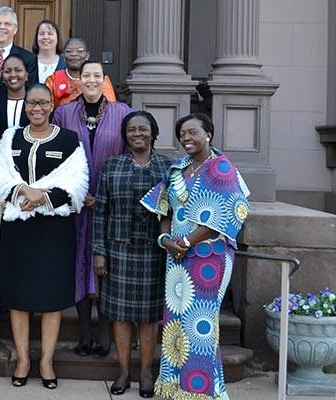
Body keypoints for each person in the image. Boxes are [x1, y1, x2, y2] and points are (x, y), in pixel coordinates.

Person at [141, 113, 251, 400]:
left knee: (201, 325)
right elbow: (163, 207)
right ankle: (175, 387)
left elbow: (227, 215)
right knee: (176, 322)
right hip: (177, 257)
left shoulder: (222, 168)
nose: (186, 138)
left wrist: (187, 241)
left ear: (209, 134)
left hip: (209, 257)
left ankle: (201, 391)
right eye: (182, 134)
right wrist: (166, 240)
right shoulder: (178, 169)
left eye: (192, 132)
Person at [0, 84, 89, 390]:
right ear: (25, 106)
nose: (37, 108)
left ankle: (46, 360)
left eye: (43, 103)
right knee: (19, 298)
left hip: (53, 231)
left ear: (52, 106)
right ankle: (22, 359)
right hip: (18, 228)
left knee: (50, 299)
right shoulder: (11, 137)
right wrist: (23, 191)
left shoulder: (69, 139)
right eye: (31, 103)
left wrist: (42, 198)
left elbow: (78, 182)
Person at [52, 59, 132, 359]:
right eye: (86, 75)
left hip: (109, 207)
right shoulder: (63, 113)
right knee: (79, 267)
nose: (91, 80)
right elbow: (56, 156)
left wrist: (105, 197)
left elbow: (127, 158)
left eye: (97, 75)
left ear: (105, 79)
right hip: (74, 207)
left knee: (105, 270)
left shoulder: (122, 113)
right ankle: (84, 335)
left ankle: (104, 336)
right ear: (78, 80)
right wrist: (75, 193)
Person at [92, 111, 172, 397]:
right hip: (119, 251)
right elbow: (100, 211)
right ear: (124, 135)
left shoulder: (168, 167)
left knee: (149, 316)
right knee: (120, 315)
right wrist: (99, 252)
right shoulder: (112, 165)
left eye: (143, 129)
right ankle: (124, 370)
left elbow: (174, 212)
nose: (137, 134)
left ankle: (147, 371)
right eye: (131, 130)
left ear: (153, 132)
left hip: (154, 251)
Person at [44, 38, 117, 107]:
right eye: (69, 51)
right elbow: (46, 107)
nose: (74, 54)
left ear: (87, 55)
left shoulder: (100, 78)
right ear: (63, 56)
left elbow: (110, 107)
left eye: (80, 51)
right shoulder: (53, 80)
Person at [0, 54, 29, 146]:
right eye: (7, 71)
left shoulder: (35, 102)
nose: (13, 75)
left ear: (26, 75)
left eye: (18, 70)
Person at [31, 19, 65, 84]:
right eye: (42, 34)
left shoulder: (65, 63)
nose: (45, 37)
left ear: (58, 38)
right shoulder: (28, 62)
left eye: (50, 34)